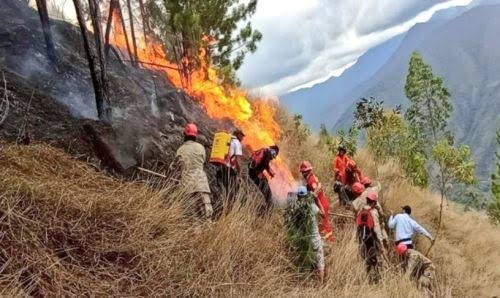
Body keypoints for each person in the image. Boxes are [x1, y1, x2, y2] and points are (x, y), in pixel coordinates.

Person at [175, 123, 213, 220]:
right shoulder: (201, 148)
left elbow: (177, 167)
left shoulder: (180, 150)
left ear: (185, 135)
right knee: (206, 216)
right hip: (201, 185)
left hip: (187, 187)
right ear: (195, 136)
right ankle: (208, 234)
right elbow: (203, 162)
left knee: (191, 219)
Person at [296, 185, 325, 283]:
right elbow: (323, 214)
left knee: (307, 263)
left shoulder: (297, 208)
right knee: (319, 262)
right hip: (314, 239)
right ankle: (320, 286)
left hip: (304, 239)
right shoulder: (312, 207)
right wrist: (317, 200)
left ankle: (307, 282)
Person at [355, 193, 387, 283]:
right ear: (373, 202)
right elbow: (376, 230)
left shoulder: (361, 211)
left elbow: (357, 225)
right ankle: (377, 279)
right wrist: (381, 244)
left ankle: (368, 277)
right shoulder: (373, 212)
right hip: (370, 240)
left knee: (365, 259)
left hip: (361, 239)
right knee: (375, 259)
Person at [300, 160, 334, 242]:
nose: (302, 174)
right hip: (322, 203)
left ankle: (329, 242)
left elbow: (316, 196)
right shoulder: (311, 178)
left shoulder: (311, 180)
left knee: (324, 226)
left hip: (321, 204)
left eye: (303, 172)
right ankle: (327, 241)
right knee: (323, 225)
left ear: (307, 172)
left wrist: (321, 209)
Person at [215, 128, 245, 210]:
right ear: (238, 134)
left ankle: (218, 207)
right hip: (228, 170)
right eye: (242, 136)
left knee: (221, 191)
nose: (243, 138)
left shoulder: (226, 140)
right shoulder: (237, 143)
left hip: (220, 168)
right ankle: (225, 212)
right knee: (231, 194)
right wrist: (239, 174)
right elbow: (238, 161)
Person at [248, 145, 279, 214]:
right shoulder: (267, 152)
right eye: (274, 156)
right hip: (256, 175)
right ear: (273, 152)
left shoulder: (262, 150)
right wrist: (270, 172)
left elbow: (262, 164)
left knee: (265, 193)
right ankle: (268, 212)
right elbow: (265, 164)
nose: (273, 158)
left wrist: (269, 172)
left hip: (251, 173)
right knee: (268, 195)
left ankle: (266, 210)